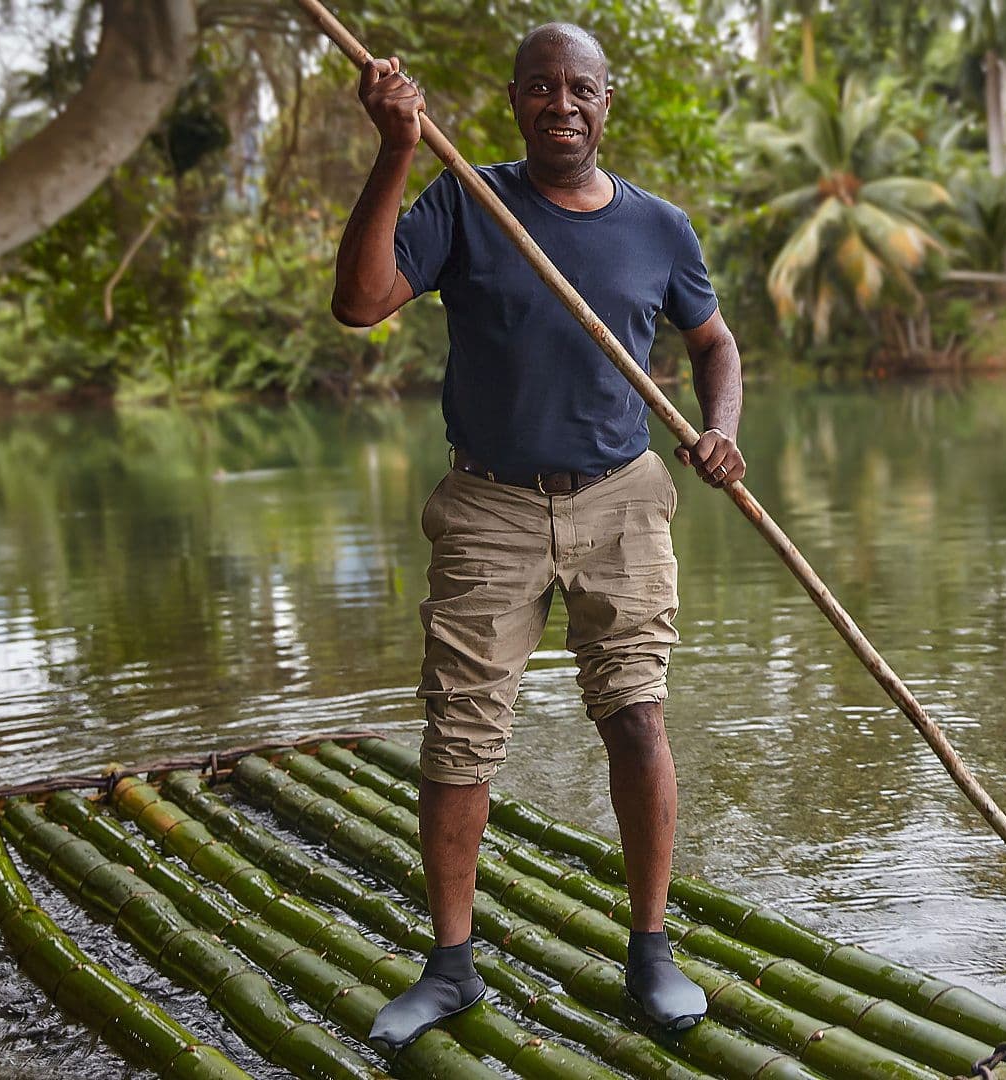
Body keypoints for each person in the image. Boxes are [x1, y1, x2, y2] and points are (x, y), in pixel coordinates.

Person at [329, 21, 745, 1053]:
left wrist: (720, 427)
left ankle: (650, 949)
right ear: (515, 99)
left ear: (609, 102)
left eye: (582, 88)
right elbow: (360, 302)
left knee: (638, 717)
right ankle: (452, 967)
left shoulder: (661, 229)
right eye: (542, 88)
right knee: (460, 739)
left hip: (624, 497)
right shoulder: (468, 199)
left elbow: (714, 341)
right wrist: (396, 149)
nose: (563, 104)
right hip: (490, 508)